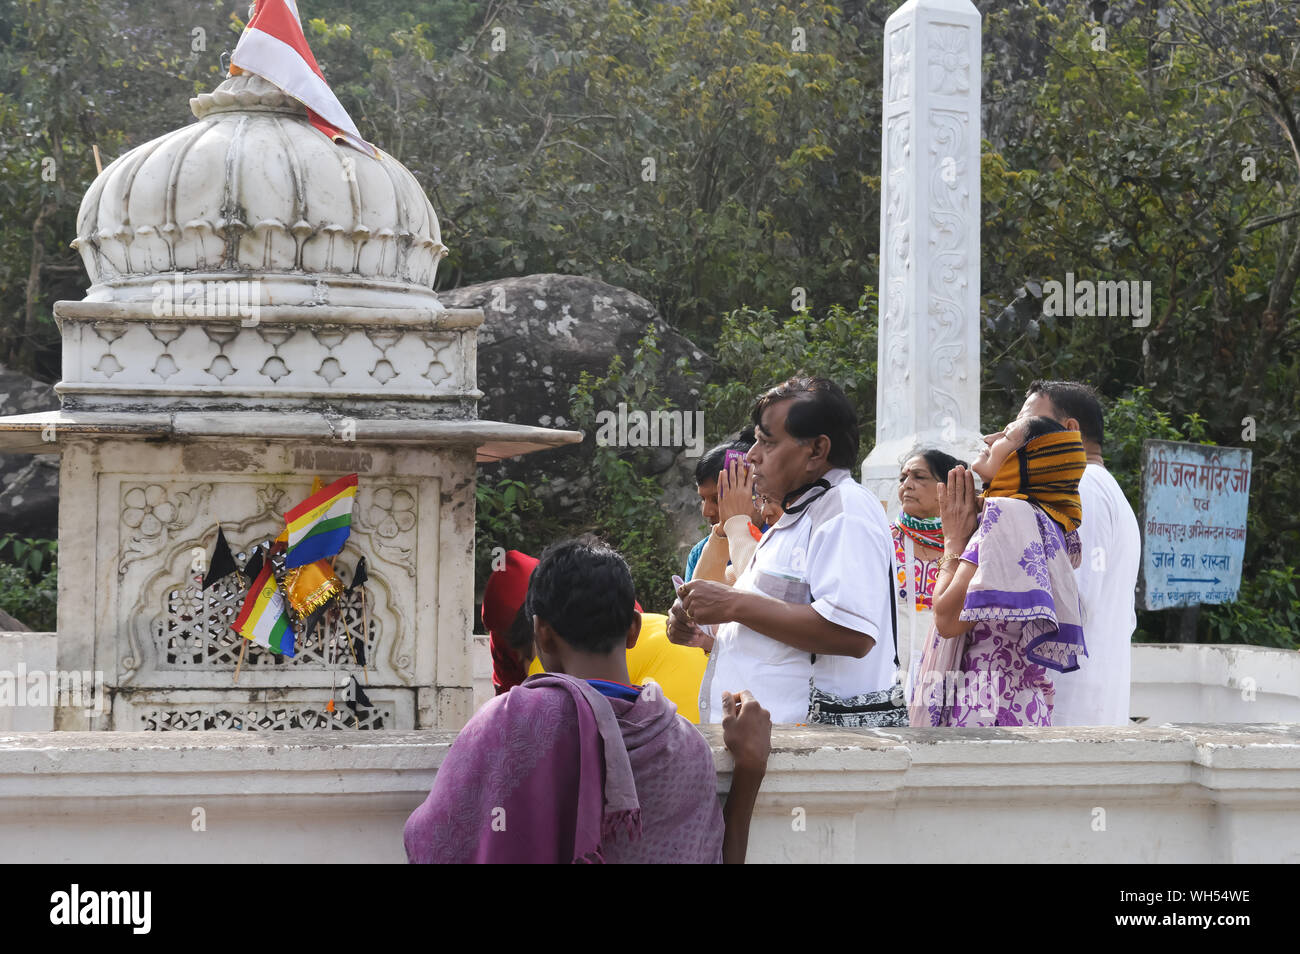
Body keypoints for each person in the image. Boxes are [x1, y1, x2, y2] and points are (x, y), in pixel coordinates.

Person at [404, 538, 772, 864]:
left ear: (541, 635)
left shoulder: (510, 721)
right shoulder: (684, 746)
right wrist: (750, 769)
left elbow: (431, 839)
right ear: (634, 629)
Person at [668, 376, 899, 726]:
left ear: (817, 451)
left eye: (767, 442)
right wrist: (702, 623)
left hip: (815, 753)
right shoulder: (797, 517)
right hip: (772, 752)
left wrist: (731, 603)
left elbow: (852, 632)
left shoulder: (845, 508)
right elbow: (774, 627)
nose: (752, 456)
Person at [909, 417, 1087, 727]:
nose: (989, 438)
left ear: (1028, 458)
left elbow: (948, 619)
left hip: (985, 708)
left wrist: (953, 541)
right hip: (1021, 704)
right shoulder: (1044, 519)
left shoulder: (1003, 517)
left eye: (1005, 435)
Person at [1019, 380, 1140, 726]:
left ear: (1070, 430)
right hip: (1091, 710)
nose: (1019, 437)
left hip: (1065, 712)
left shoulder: (1079, 485)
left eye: (1032, 426)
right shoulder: (1107, 490)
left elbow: (1072, 601)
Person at [893, 449, 965, 703]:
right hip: (892, 677)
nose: (907, 485)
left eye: (919, 477)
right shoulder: (884, 540)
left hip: (949, 674)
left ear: (946, 487)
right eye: (903, 478)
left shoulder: (966, 545)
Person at [684, 430, 756, 582]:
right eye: (703, 499)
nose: (706, 511)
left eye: (717, 499)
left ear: (750, 490)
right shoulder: (699, 553)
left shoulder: (776, 540)